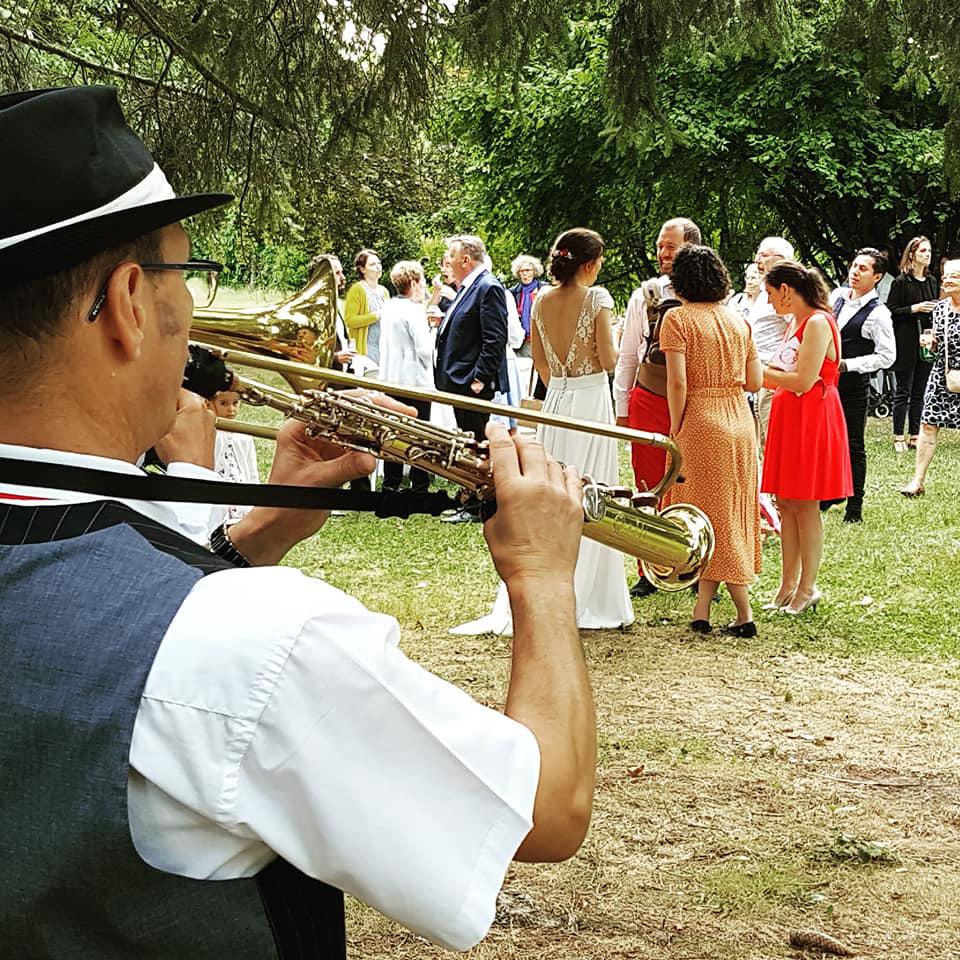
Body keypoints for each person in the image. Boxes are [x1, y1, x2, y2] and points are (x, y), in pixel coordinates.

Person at [0, 85, 595, 957]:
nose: (192, 315)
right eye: (184, 277)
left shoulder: (218, 624)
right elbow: (546, 807)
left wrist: (249, 540)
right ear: (129, 302)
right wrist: (543, 579)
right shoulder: (259, 643)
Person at [451, 228, 633, 636]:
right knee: (592, 491)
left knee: (554, 489)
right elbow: (607, 359)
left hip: (557, 402)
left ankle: (548, 584)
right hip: (590, 401)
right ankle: (591, 596)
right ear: (589, 264)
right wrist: (619, 339)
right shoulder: (598, 298)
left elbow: (542, 367)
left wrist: (563, 387)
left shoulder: (541, 301)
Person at [660, 246, 762, 636]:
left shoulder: (678, 320)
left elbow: (678, 381)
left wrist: (676, 425)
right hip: (739, 419)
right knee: (728, 509)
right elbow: (754, 381)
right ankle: (701, 610)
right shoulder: (739, 322)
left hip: (702, 419)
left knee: (705, 515)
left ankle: (744, 613)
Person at [612, 216, 701, 598]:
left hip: (698, 401)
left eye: (671, 246)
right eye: (661, 246)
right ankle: (649, 568)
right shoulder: (645, 295)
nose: (663, 253)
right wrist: (622, 409)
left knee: (695, 483)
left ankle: (697, 562)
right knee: (648, 485)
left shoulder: (710, 292)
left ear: (692, 248)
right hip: (649, 400)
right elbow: (629, 357)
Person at [760, 261, 853, 615]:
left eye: (771, 294)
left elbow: (803, 380)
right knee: (785, 501)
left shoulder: (817, 321)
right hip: (790, 414)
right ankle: (788, 583)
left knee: (805, 502)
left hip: (811, 415)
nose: (769, 303)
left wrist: (760, 373)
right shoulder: (796, 322)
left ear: (786, 290)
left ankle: (807, 585)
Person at [434, 234, 509, 522]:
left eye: (451, 256)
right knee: (467, 442)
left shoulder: (487, 287)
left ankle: (481, 504)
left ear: (466, 259)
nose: (448, 262)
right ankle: (469, 496)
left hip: (471, 384)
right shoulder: (467, 287)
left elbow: (494, 339)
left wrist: (478, 378)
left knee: (477, 444)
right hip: (458, 381)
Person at [823, 248, 896, 523]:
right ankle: (829, 494)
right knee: (827, 440)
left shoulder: (879, 314)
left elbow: (888, 356)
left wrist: (849, 364)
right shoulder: (837, 297)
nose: (855, 272)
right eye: (854, 266)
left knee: (854, 443)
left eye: (863, 269)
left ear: (876, 277)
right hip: (827, 382)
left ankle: (855, 507)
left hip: (853, 385)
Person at [901, 259, 960, 497]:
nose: (946, 280)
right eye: (945, 276)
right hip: (943, 373)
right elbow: (936, 346)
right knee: (928, 424)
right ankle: (917, 481)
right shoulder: (941, 309)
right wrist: (930, 343)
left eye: (953, 276)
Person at [378, 260, 434, 493]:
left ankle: (391, 481)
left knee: (393, 430)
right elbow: (424, 349)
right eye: (422, 280)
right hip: (414, 381)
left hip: (391, 377)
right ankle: (419, 483)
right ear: (414, 282)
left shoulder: (389, 307)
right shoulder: (414, 311)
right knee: (418, 432)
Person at [886, 236, 939, 452]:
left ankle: (915, 434)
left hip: (926, 341)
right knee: (903, 390)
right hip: (906, 340)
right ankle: (899, 435)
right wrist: (914, 309)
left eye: (929, 251)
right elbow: (890, 310)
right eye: (923, 251)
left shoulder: (932, 281)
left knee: (920, 390)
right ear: (912, 255)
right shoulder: (901, 282)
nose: (927, 255)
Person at [746, 236, 795, 447]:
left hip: (774, 374)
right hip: (760, 374)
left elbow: (796, 329)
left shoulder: (786, 291)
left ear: (781, 259)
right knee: (763, 441)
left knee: (774, 441)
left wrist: (782, 367)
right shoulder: (765, 289)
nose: (758, 259)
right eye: (758, 253)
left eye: (764, 255)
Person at [208, 389, 260, 523]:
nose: (231, 409)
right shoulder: (207, 433)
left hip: (241, 496)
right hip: (215, 497)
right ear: (209, 403)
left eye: (235, 403)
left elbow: (251, 470)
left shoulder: (244, 435)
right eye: (224, 404)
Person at [344, 248, 389, 364]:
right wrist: (376, 315)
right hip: (365, 350)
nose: (378, 267)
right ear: (362, 269)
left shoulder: (384, 291)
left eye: (379, 263)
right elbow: (350, 321)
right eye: (372, 264)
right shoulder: (357, 289)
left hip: (383, 349)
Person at [508, 254, 546, 358]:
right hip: (523, 343)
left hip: (543, 341)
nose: (525, 274)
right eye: (522, 271)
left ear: (534, 271)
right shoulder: (513, 293)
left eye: (528, 270)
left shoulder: (544, 289)